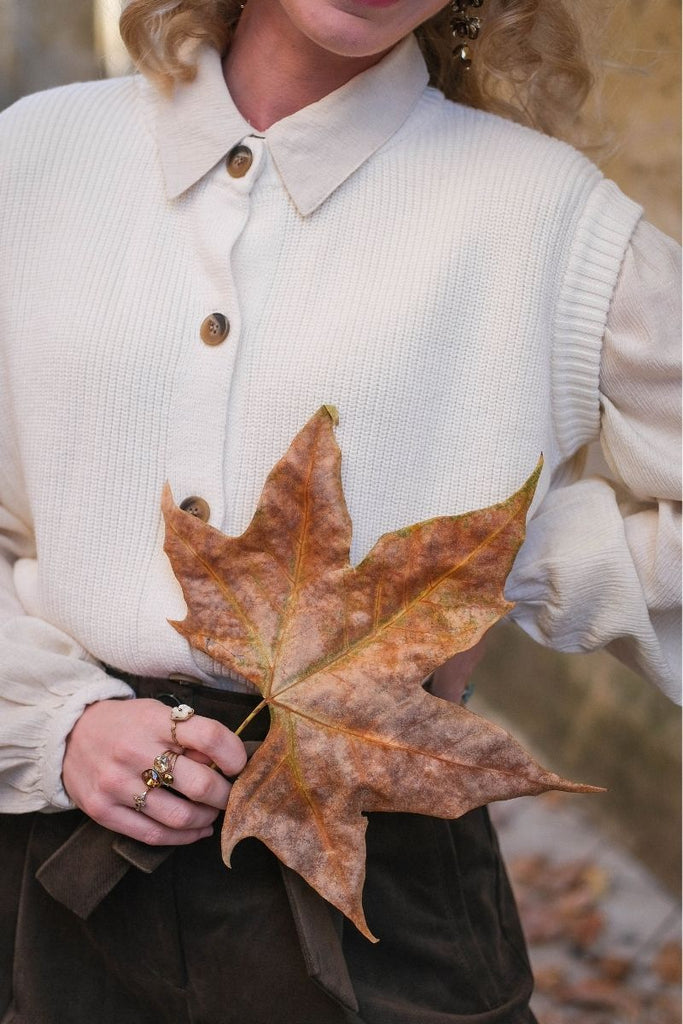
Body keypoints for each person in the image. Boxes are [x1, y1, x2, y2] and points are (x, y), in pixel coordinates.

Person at [0, 1, 680, 1021]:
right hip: (56, 877)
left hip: (378, 900)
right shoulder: (39, 155)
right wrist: (55, 720)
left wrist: (493, 563)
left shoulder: (546, 218)